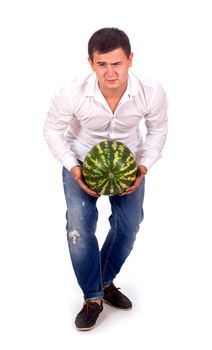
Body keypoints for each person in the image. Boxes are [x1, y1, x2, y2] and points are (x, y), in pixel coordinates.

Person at [44, 27, 168, 331]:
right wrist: (74, 168)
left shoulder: (151, 91)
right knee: (79, 228)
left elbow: (157, 131)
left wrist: (144, 166)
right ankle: (93, 297)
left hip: (128, 165)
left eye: (117, 63)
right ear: (91, 63)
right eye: (102, 64)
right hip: (81, 161)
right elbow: (52, 130)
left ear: (130, 60)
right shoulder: (70, 91)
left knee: (128, 227)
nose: (110, 72)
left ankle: (104, 280)